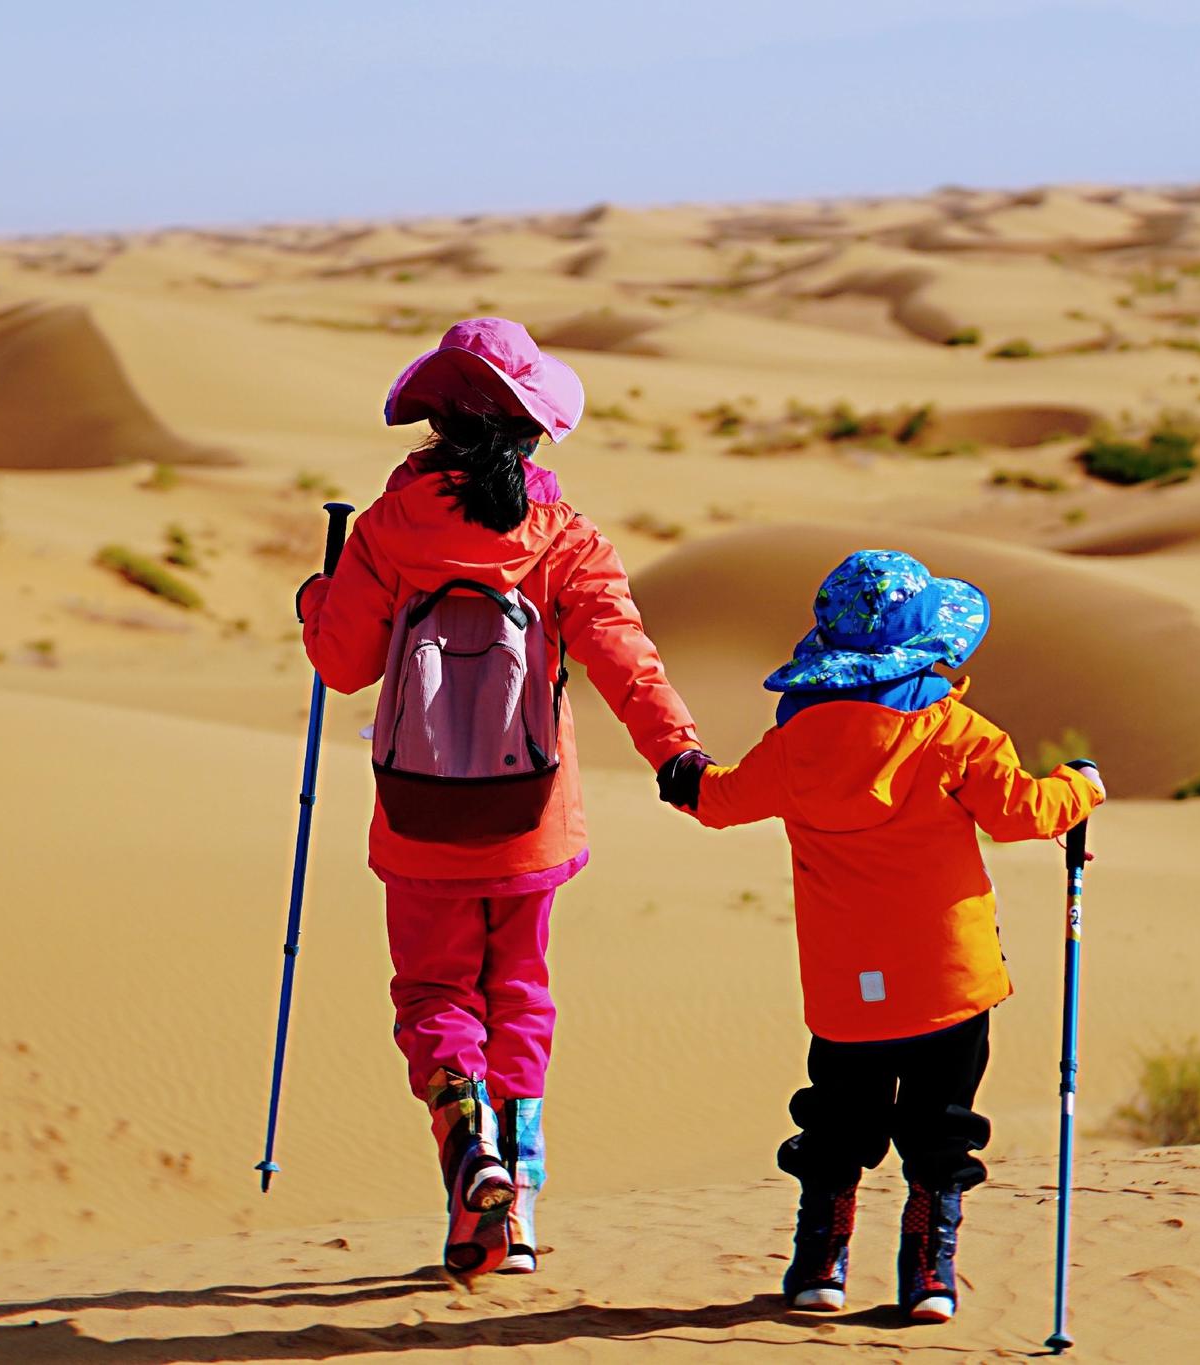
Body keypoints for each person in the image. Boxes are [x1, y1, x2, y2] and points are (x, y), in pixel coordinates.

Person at [299, 317, 705, 1279]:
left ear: (436, 421)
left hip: (419, 817)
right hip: (532, 820)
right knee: (518, 993)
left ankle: (463, 1149)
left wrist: (320, 597)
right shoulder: (562, 535)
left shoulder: (389, 532)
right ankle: (514, 1205)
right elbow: (622, 656)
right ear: (532, 430)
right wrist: (677, 753)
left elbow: (342, 661)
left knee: (437, 994)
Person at [658, 550, 1105, 1322]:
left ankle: (819, 1264)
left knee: (836, 1121)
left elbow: (719, 800)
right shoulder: (956, 732)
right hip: (948, 982)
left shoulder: (795, 744)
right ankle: (928, 1272)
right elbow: (1022, 813)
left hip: (846, 989)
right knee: (942, 1127)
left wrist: (683, 773)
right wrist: (1082, 786)